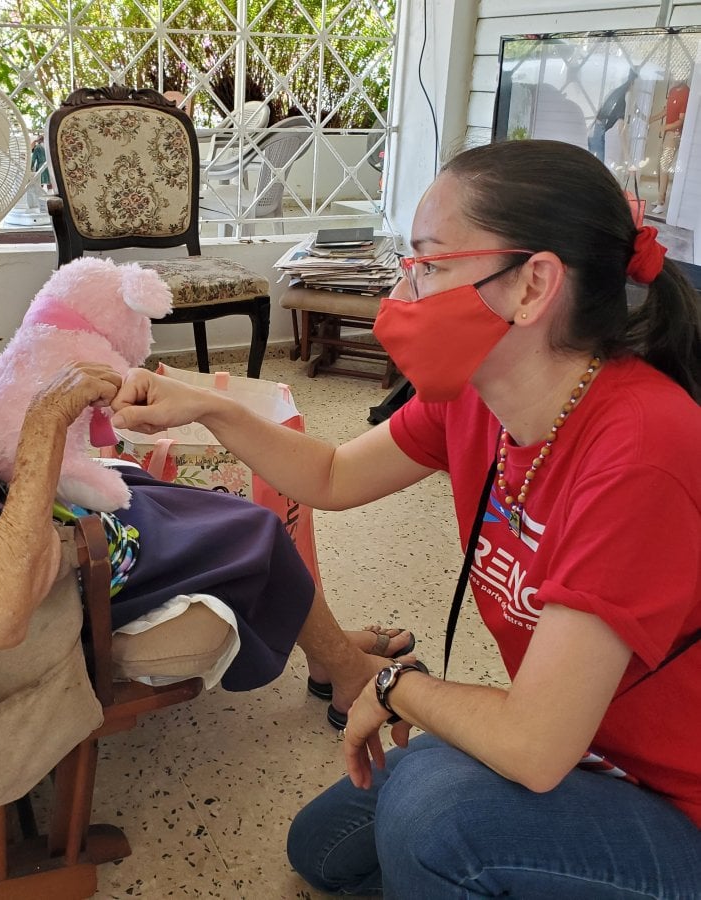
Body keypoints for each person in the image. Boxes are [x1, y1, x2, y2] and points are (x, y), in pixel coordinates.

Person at [108, 139, 701, 896]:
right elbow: (329, 474)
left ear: (533, 285)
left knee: (435, 824)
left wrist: (394, 685)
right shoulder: (478, 399)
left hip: (674, 802)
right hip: (590, 751)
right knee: (322, 847)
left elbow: (533, 745)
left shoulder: (642, 450)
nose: (405, 290)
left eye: (429, 265)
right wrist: (212, 408)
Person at [0, 141, 415, 714]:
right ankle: (342, 671)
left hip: (38, 512)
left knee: (201, 504)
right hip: (72, 559)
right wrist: (46, 420)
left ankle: (328, 647)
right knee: (254, 527)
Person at [650, 79, 689, 215]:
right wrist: (651, 118)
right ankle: (659, 197)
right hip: (667, 134)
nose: (675, 79)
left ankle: (661, 202)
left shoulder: (686, 93)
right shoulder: (672, 90)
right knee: (658, 167)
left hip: (674, 135)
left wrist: (664, 127)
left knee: (664, 166)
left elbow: (681, 121)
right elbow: (666, 110)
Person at [587, 68, 638, 163]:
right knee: (598, 166)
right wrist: (628, 156)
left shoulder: (615, 92)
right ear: (632, 84)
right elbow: (621, 130)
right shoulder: (623, 101)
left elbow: (600, 110)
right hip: (601, 131)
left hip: (597, 129)